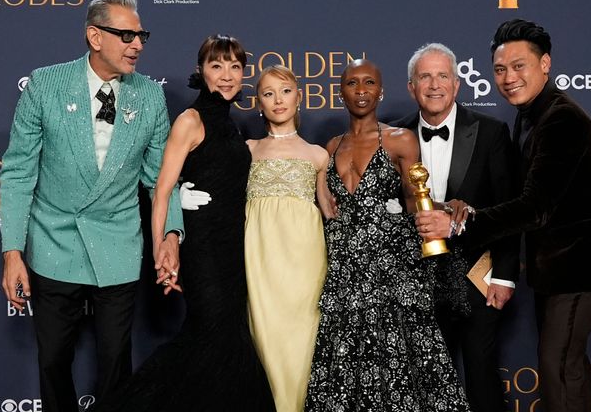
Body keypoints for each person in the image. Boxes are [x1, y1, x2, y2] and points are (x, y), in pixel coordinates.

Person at [416, 19, 591, 412]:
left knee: (559, 367)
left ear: (545, 64)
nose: (508, 77)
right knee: (568, 368)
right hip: (557, 269)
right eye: (500, 69)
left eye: (519, 66)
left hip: (579, 267)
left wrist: (459, 222)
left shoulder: (562, 119)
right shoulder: (530, 117)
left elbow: (534, 207)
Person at [0, 0, 184, 412]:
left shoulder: (150, 97)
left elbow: (161, 180)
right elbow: (17, 173)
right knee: (53, 362)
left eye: (141, 35)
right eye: (126, 35)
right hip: (52, 243)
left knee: (117, 363)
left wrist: (171, 234)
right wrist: (12, 253)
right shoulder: (45, 85)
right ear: (94, 37)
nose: (137, 44)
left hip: (118, 244)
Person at [94, 34, 275, 412]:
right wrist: (163, 247)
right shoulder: (190, 121)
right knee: (213, 336)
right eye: (216, 66)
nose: (226, 75)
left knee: (221, 340)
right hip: (203, 251)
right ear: (200, 71)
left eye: (234, 67)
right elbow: (161, 190)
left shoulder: (233, 126)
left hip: (233, 250)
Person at [304, 59, 470, 412]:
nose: (361, 91)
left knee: (402, 367)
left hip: (391, 271)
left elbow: (414, 200)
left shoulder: (400, 139)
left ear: (381, 91)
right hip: (345, 275)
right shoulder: (329, 149)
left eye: (369, 83)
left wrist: (449, 207)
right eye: (352, 83)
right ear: (341, 92)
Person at [390, 43, 518, 412]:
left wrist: (505, 277)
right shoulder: (395, 139)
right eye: (424, 77)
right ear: (411, 87)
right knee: (428, 381)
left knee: (481, 376)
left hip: (478, 275)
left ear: (457, 84)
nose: (434, 85)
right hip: (419, 280)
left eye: (442, 75)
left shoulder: (491, 132)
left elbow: (509, 208)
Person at [245, 65, 332, 411]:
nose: (277, 100)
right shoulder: (247, 150)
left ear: (299, 97)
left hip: (305, 264)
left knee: (303, 345)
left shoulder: (318, 155)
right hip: (260, 260)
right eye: (268, 93)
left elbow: (329, 210)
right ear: (258, 104)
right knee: (265, 343)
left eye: (284, 91)